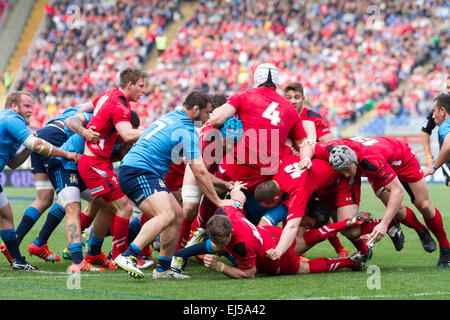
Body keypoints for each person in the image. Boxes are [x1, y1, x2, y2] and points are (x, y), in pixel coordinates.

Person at [113, 91, 235, 279]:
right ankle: (128, 255)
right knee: (166, 214)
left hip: (139, 169)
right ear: (195, 110)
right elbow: (200, 171)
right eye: (206, 113)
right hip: (139, 170)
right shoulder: (187, 130)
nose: (208, 117)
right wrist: (219, 202)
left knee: (177, 215)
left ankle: (163, 269)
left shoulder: (172, 116)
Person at [318, 138, 450, 268]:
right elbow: (311, 146)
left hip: (402, 158)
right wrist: (305, 159)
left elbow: (397, 191)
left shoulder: (371, 161)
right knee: (397, 210)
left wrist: (383, 224)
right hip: (378, 165)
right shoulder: (331, 149)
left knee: (424, 205)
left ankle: (446, 248)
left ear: (353, 161)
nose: (346, 175)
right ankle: (421, 229)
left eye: (347, 170)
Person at [200, 184, 365, 279]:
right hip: (265, 238)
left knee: (301, 242)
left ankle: (349, 258)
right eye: (309, 224)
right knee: (299, 245)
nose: (308, 227)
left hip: (261, 239)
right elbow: (261, 227)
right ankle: (349, 258)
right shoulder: (284, 210)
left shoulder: (300, 208)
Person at [0, 91, 79, 269]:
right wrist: (66, 153)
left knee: (6, 215)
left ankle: (17, 261)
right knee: (6, 215)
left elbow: (13, 164)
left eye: (31, 106)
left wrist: (30, 147)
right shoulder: (13, 119)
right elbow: (37, 145)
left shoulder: (10, 124)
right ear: (14, 106)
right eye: (27, 106)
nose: (31, 110)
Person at [209, 63, 312, 192]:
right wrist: (306, 159)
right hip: (265, 176)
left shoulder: (244, 95)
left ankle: (203, 210)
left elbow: (215, 120)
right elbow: (304, 143)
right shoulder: (291, 109)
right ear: (276, 82)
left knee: (213, 188)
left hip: (236, 166)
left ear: (256, 79)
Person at [78, 67, 146, 261]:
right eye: (141, 86)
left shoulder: (108, 95)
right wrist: (154, 131)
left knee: (107, 208)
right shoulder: (121, 106)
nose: (144, 91)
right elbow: (127, 134)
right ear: (130, 85)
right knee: (125, 207)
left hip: (96, 161)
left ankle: (92, 254)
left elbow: (83, 110)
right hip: (94, 163)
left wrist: (88, 130)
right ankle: (120, 256)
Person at [284, 81, 351, 257]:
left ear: (303, 99)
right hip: (290, 172)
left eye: (296, 97)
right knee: (291, 212)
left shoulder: (313, 117)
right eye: (288, 98)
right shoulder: (280, 118)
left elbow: (329, 145)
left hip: (313, 172)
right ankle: (294, 252)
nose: (292, 101)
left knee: (324, 215)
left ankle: (341, 249)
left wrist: (307, 153)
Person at [421, 78, 450, 186]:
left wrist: (433, 168)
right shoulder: (441, 105)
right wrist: (428, 157)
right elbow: (425, 131)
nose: (449, 90)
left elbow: (448, 143)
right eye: (447, 87)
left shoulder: (445, 124)